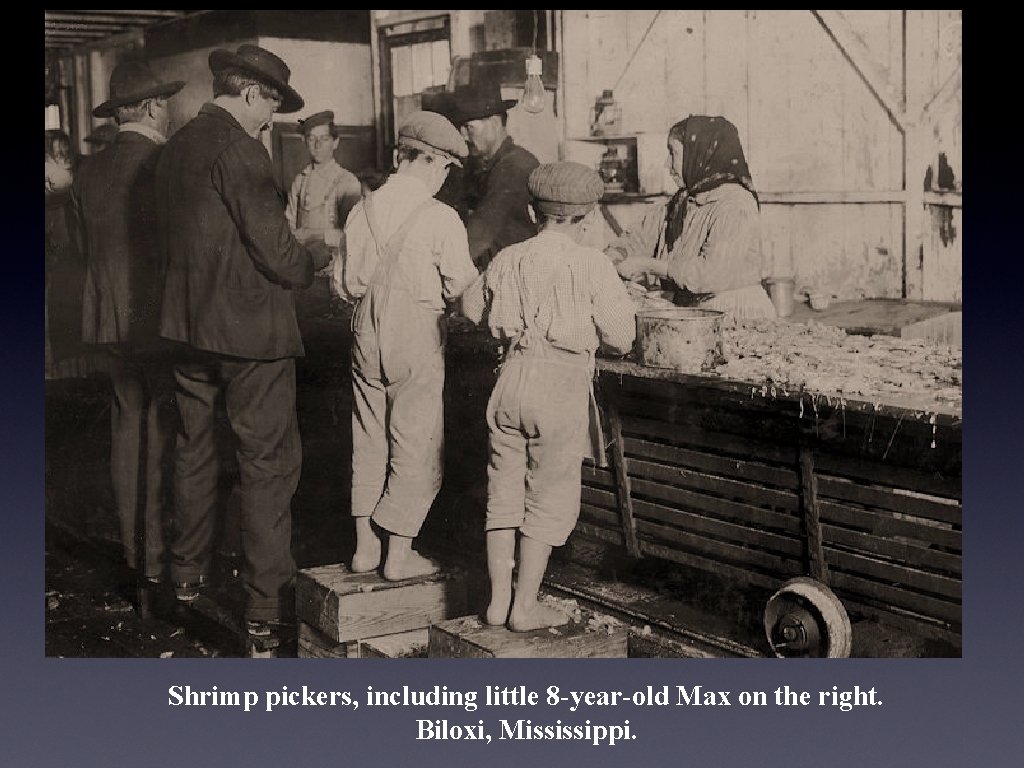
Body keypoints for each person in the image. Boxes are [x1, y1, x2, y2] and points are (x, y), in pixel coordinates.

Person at [156, 44, 333, 637]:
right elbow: (279, 256)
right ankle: (264, 611)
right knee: (268, 464)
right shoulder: (240, 149)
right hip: (249, 335)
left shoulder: (176, 146)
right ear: (254, 93)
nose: (270, 121)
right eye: (271, 108)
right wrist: (317, 257)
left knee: (194, 448)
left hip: (186, 329)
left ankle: (184, 577)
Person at [461, 162, 636, 630]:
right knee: (547, 495)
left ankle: (498, 602)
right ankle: (524, 607)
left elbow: (470, 305)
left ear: (532, 212)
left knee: (503, 494)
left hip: (511, 378)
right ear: (588, 216)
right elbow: (622, 336)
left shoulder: (509, 257)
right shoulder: (592, 263)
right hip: (557, 387)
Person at [332, 111, 478, 581]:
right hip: (415, 334)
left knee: (368, 436)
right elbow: (464, 290)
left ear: (401, 156)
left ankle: (363, 549)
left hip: (364, 333)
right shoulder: (441, 217)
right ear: (435, 163)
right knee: (415, 440)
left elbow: (344, 284)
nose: (443, 179)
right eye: (444, 170)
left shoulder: (362, 209)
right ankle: (398, 555)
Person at [71, 60, 185, 614]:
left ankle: (137, 563)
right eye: (164, 102)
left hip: (103, 320)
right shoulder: (162, 163)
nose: (168, 111)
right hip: (153, 322)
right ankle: (160, 564)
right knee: (163, 434)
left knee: (126, 432)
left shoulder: (88, 170)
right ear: (151, 109)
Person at [608, 115, 776, 318]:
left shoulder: (735, 205)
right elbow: (638, 237)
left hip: (733, 313)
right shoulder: (682, 201)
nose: (666, 164)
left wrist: (648, 265)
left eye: (674, 154)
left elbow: (711, 274)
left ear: (701, 156)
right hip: (694, 313)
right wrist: (616, 255)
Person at [452, 81, 539, 268]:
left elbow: (478, 237)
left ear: (494, 123)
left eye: (469, 128)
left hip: (517, 272)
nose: (464, 137)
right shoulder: (484, 165)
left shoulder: (515, 166)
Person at [285, 109, 361, 253]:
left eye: (324, 139)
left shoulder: (347, 182)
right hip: (303, 261)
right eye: (312, 139)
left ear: (335, 142)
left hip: (334, 265)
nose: (317, 145)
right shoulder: (300, 180)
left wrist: (312, 235)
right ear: (305, 142)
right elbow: (289, 224)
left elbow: (352, 235)